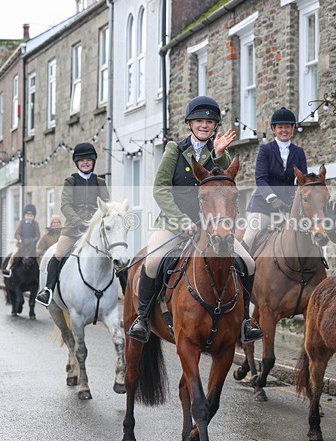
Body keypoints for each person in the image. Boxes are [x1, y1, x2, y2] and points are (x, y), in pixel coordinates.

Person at [127, 95, 262, 343]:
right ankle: (143, 319)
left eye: (209, 123)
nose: (204, 125)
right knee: (154, 261)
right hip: (173, 224)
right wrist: (181, 221)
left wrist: (219, 153)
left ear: (214, 127)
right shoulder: (174, 150)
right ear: (189, 124)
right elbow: (160, 189)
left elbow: (223, 184)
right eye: (199, 121)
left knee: (249, 264)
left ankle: (245, 321)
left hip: (211, 229)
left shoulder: (219, 153)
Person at [36, 143, 110, 306]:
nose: (85, 162)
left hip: (94, 228)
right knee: (59, 253)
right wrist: (77, 221)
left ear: (93, 162)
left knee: (114, 252)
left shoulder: (100, 182)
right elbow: (65, 205)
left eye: (88, 160)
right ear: (76, 162)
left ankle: (125, 290)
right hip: (72, 228)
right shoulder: (70, 181)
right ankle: (48, 290)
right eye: (82, 160)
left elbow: (106, 204)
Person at [242, 107, 308, 253]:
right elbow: (260, 179)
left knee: (311, 236)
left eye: (287, 127)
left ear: (292, 129)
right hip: (263, 206)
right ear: (273, 129)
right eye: (280, 127)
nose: (284, 130)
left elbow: (303, 181)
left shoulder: (299, 152)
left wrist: (297, 201)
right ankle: (239, 272)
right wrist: (273, 199)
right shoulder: (265, 150)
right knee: (249, 239)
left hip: (289, 207)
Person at [3, 204, 41, 277]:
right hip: (21, 244)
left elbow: (38, 235)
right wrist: (20, 239)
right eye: (27, 215)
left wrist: (33, 241)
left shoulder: (36, 224)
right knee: (14, 255)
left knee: (37, 257)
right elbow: (16, 234)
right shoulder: (22, 223)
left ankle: (41, 269)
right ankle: (8, 268)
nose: (29, 217)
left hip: (31, 245)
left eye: (31, 216)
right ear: (24, 216)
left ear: (34, 216)